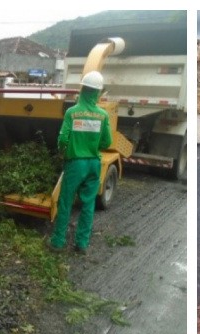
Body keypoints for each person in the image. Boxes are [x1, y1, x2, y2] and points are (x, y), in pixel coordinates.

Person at [47, 71, 113, 254]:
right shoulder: (103, 115)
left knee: (66, 202)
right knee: (88, 204)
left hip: (75, 164)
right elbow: (107, 142)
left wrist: (64, 151)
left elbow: (62, 139)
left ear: (82, 89)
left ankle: (58, 242)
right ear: (98, 93)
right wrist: (93, 145)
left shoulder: (72, 112)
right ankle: (81, 244)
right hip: (94, 164)